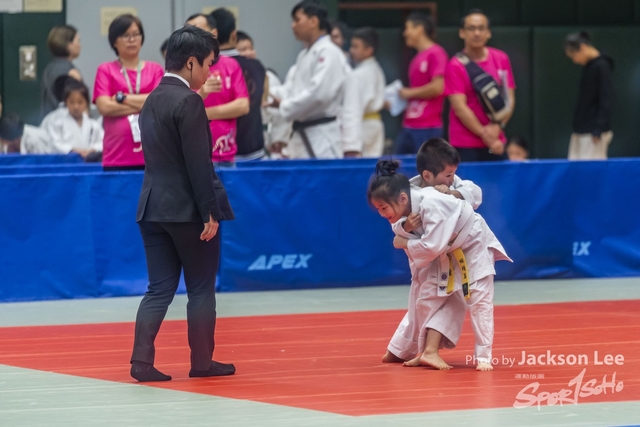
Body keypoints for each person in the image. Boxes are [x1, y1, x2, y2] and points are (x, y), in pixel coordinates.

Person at [131, 25, 235, 382]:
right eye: (208, 64)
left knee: (158, 288)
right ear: (191, 63)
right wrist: (209, 210)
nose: (209, 72)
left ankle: (141, 362)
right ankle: (202, 362)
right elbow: (198, 164)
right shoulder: (189, 101)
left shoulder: (150, 100)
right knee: (201, 288)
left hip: (151, 207)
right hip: (187, 210)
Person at [369, 158, 511, 371]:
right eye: (378, 209)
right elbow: (398, 226)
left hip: (473, 244)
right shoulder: (405, 193)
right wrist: (404, 228)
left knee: (478, 299)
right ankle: (422, 351)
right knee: (428, 297)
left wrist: (404, 241)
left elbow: (433, 246)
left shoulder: (431, 201)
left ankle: (483, 356)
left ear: (402, 198)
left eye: (383, 208)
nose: (382, 214)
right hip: (446, 250)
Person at [382, 139, 482, 368]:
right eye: (448, 175)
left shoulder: (449, 183)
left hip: (436, 254)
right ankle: (429, 351)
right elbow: (394, 220)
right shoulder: (413, 193)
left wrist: (454, 192)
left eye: (453, 174)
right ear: (427, 175)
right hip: (431, 256)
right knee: (449, 302)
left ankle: (397, 350)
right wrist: (405, 227)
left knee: (420, 306)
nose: (451, 178)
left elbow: (476, 194)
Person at [271, 1, 347, 159]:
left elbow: (319, 94)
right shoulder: (305, 54)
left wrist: (285, 105)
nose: (293, 26)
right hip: (302, 132)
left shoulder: (329, 52)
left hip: (321, 135)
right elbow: (293, 88)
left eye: (297, 20)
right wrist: (268, 95)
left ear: (313, 21)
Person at [93, 14, 164, 170]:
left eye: (136, 34)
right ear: (114, 41)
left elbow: (160, 104)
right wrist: (146, 104)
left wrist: (121, 98)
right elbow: (104, 107)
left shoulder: (155, 69)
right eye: (126, 36)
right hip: (117, 155)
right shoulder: (105, 70)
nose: (132, 40)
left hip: (153, 154)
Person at [444, 9, 515, 161]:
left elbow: (509, 98)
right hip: (465, 144)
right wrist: (485, 135)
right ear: (462, 33)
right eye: (471, 28)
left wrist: (498, 127)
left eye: (481, 28)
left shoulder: (501, 59)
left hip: (497, 141)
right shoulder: (454, 65)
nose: (477, 33)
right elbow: (460, 107)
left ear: (488, 33)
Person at [188, 11, 249, 166]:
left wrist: (203, 113)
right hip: (193, 158)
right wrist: (201, 94)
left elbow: (242, 106)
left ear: (213, 34)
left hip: (226, 155)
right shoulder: (182, 68)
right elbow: (179, 112)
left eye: (197, 30)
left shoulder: (231, 65)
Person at [212, 9, 267, 161]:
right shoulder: (256, 67)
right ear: (234, 35)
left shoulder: (205, 68)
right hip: (253, 148)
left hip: (219, 151)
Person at [394, 13, 449, 155]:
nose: (405, 33)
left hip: (428, 125)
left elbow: (438, 87)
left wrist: (409, 93)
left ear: (419, 29)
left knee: (427, 166)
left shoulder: (436, 53)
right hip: (409, 124)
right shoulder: (417, 57)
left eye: (408, 28)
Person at [564, 31, 614, 160]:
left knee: (592, 168)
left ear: (583, 48)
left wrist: (598, 129)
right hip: (581, 129)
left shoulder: (602, 66)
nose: (575, 61)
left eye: (574, 56)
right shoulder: (589, 67)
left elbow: (606, 99)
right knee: (575, 166)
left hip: (593, 133)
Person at [341, 27, 386, 158]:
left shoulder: (361, 73)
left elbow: (357, 106)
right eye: (351, 46)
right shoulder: (374, 68)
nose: (351, 50)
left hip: (364, 124)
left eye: (356, 47)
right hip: (373, 123)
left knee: (362, 162)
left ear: (368, 50)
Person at [41, 79, 103, 160]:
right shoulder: (58, 123)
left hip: (88, 162)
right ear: (66, 102)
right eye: (72, 102)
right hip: (65, 162)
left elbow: (103, 142)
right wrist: (72, 150)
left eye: (80, 102)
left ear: (86, 103)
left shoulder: (93, 125)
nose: (76, 107)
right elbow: (54, 143)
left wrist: (92, 149)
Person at [41, 25, 82, 120]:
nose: (80, 45)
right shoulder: (70, 72)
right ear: (69, 45)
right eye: (78, 41)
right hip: (65, 124)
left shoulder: (50, 68)